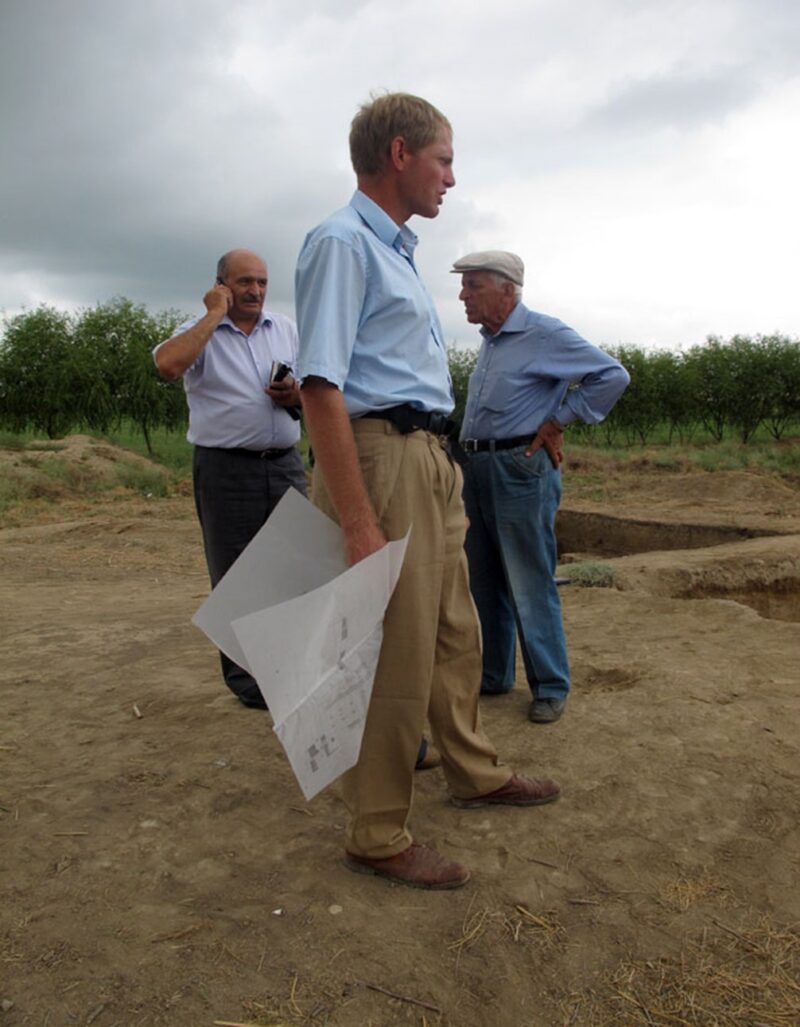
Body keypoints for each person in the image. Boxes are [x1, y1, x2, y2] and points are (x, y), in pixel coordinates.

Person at [295, 93, 561, 891]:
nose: (452, 175)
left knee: (454, 629)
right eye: (444, 159)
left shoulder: (397, 249)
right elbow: (319, 385)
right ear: (402, 153)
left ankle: (471, 768)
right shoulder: (342, 243)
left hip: (429, 457)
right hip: (385, 458)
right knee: (396, 652)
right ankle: (376, 829)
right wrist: (356, 517)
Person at [452, 250, 630, 724]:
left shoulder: (543, 333)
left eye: (473, 285)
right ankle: (494, 674)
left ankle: (550, 685)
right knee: (484, 578)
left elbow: (612, 375)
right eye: (463, 285)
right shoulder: (490, 342)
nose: (462, 295)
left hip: (519, 465)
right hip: (478, 466)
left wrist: (560, 420)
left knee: (529, 580)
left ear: (507, 289)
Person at [153, 249, 307, 710]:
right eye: (243, 282)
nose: (255, 291)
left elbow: (313, 389)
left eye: (261, 282)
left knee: (295, 567)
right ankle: (248, 682)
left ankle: (292, 665)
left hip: (284, 463)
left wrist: (293, 394)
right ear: (221, 284)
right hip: (225, 469)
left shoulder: (286, 329)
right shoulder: (199, 332)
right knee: (236, 574)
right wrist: (214, 314)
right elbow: (168, 365)